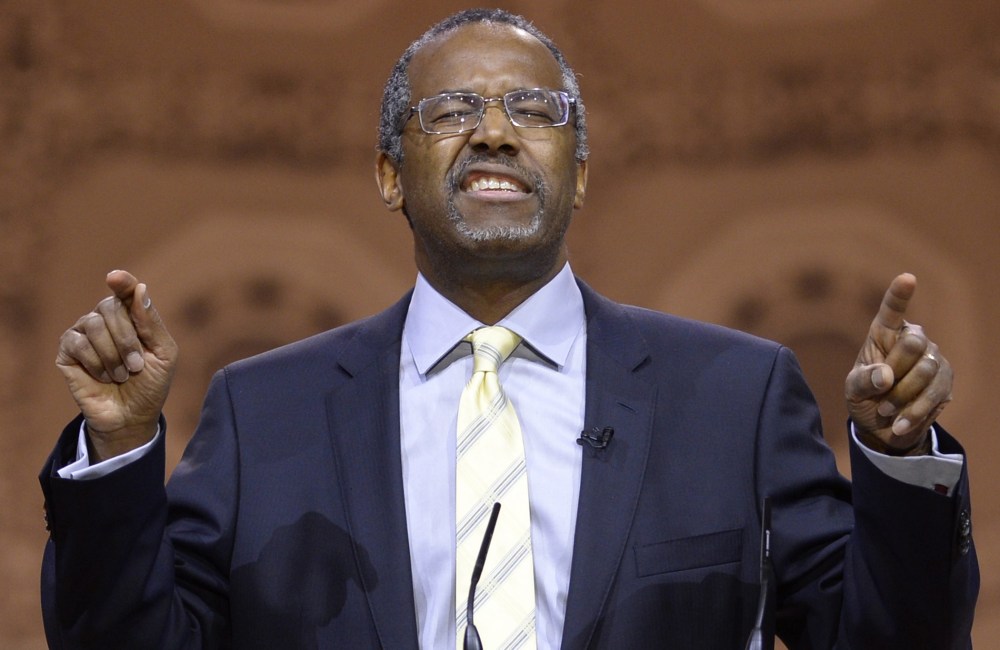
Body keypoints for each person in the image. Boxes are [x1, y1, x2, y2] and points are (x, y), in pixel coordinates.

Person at [40, 8, 977, 650]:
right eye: (450, 111)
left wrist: (898, 462)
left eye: (535, 111)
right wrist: (120, 451)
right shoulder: (264, 409)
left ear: (577, 174)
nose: (494, 133)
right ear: (388, 175)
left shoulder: (735, 395)